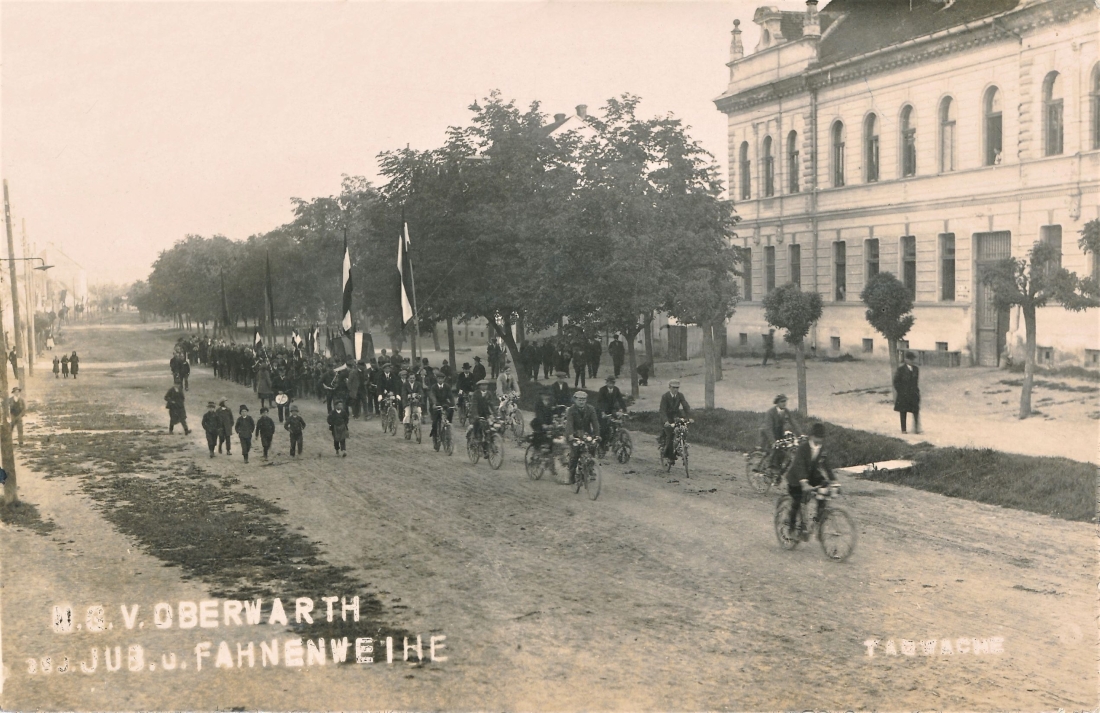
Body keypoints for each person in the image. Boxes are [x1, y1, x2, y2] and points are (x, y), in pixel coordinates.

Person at [784, 422, 837, 535]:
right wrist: (804, 483)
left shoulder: (822, 448)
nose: (819, 440)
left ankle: (818, 521)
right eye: (817, 437)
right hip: (796, 478)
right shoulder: (803, 448)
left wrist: (834, 481)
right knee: (797, 501)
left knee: (824, 490)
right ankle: (791, 527)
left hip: (811, 475)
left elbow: (826, 465)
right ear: (811, 436)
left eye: (821, 438)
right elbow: (799, 465)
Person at [563, 391, 600, 483]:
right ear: (575, 400)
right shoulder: (571, 410)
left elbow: (595, 423)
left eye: (583, 400)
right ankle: (571, 477)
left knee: (592, 448)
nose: (581, 402)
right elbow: (569, 423)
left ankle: (590, 469)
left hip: (586, 433)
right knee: (574, 454)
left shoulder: (591, 409)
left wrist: (597, 434)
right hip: (574, 434)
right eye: (579, 400)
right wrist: (570, 435)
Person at [761, 394, 799, 470]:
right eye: (782, 401)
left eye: (785, 401)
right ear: (777, 403)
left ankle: (778, 468)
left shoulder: (786, 411)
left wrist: (801, 434)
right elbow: (768, 428)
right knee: (775, 451)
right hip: (768, 434)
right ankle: (770, 469)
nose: (784, 403)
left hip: (779, 434)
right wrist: (773, 441)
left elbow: (793, 422)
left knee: (785, 449)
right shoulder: (770, 412)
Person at [658, 379, 691, 463]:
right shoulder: (665, 396)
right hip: (667, 418)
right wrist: (665, 421)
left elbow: (686, 406)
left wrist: (688, 417)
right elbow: (662, 410)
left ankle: (682, 447)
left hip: (676, 416)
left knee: (683, 430)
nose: (675, 389)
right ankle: (669, 455)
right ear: (669, 387)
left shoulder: (680, 395)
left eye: (677, 388)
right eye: (673, 387)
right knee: (670, 435)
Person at [893, 350, 922, 434]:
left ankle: (916, 429)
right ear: (906, 360)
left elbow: (916, 382)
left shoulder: (916, 369)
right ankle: (904, 429)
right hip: (904, 394)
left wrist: (917, 392)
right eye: (910, 359)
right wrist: (901, 392)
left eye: (913, 359)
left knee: (915, 411)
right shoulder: (901, 370)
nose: (912, 361)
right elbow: (896, 382)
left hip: (913, 394)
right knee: (903, 411)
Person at [596, 375, 627, 444]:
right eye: (609, 383)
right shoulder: (602, 390)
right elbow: (600, 402)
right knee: (603, 427)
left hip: (612, 409)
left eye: (613, 383)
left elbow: (620, 400)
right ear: (606, 383)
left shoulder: (616, 389)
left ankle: (615, 436)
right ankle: (602, 443)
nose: (611, 384)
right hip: (603, 410)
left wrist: (622, 409)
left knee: (617, 422)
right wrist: (602, 412)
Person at [427, 370, 455, 442]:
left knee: (450, 410)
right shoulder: (434, 387)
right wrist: (434, 404)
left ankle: (448, 428)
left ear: (444, 379)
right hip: (436, 404)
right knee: (435, 420)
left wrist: (453, 404)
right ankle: (435, 434)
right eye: (439, 378)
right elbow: (432, 396)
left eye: (442, 378)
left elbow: (451, 396)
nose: (440, 380)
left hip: (444, 403)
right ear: (437, 379)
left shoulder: (447, 386)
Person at [468, 379, 495, 444]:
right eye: (482, 385)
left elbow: (491, 404)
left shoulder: (489, 393)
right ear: (479, 386)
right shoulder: (476, 394)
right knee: (477, 424)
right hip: (476, 413)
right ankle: (475, 437)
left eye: (486, 385)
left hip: (485, 413)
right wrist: (476, 415)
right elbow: (474, 405)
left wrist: (495, 414)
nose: (484, 387)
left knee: (491, 425)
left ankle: (490, 440)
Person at [400, 371, 423, 438]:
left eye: (413, 378)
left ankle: (418, 425)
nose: (412, 379)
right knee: (407, 414)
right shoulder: (405, 385)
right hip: (408, 402)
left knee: (419, 412)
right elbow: (403, 393)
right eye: (410, 378)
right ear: (408, 379)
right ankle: (407, 427)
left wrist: (419, 396)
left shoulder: (418, 384)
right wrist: (408, 396)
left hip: (416, 402)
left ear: (415, 378)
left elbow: (421, 391)